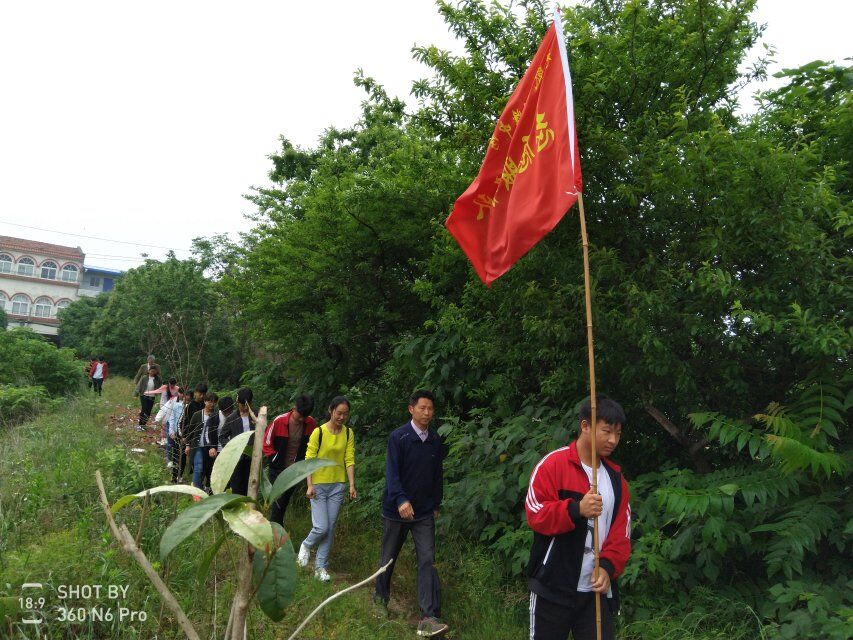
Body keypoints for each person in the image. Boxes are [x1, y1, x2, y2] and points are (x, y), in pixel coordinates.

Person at [525, 397, 631, 640]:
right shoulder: (553, 465)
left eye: (618, 433)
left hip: (594, 594)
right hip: (552, 588)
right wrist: (575, 510)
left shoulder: (616, 479)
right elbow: (535, 513)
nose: (613, 440)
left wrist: (607, 567)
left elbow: (621, 534)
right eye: (606, 431)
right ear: (585, 426)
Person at [373, 390, 447, 638]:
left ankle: (427, 617)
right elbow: (392, 474)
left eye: (430, 409)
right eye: (422, 408)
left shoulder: (435, 440)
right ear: (411, 409)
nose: (427, 413)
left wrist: (436, 502)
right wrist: (401, 499)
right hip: (396, 510)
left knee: (427, 559)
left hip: (424, 511)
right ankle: (380, 600)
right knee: (389, 557)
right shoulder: (399, 437)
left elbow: (438, 475)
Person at [297, 396, 357, 582]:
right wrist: (309, 484)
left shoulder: (348, 433)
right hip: (318, 486)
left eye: (345, 414)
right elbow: (309, 459)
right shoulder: (318, 432)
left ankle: (320, 567)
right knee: (321, 527)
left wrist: (352, 484)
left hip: (337, 486)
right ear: (331, 411)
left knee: (330, 529)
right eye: (339, 413)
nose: (341, 417)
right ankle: (306, 545)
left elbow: (349, 459)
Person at [263, 394, 317, 526]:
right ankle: (275, 529)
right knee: (278, 500)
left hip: (295, 471)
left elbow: (314, 445)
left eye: (305, 416)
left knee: (284, 500)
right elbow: (266, 443)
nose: (301, 419)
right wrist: (274, 458)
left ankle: (277, 526)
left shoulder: (310, 423)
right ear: (294, 408)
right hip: (278, 469)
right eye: (300, 415)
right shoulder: (279, 421)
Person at [218, 388, 255, 495]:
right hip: (236, 458)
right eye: (241, 404)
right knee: (237, 486)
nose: (243, 408)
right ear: (237, 402)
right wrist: (232, 448)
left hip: (252, 458)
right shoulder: (232, 418)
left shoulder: (257, 415)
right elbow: (222, 437)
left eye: (245, 405)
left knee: (251, 486)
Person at [184, 392, 220, 494]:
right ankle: (197, 492)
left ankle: (207, 489)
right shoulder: (197, 415)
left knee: (209, 470)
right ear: (205, 401)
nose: (212, 404)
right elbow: (190, 430)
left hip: (211, 447)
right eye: (209, 401)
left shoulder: (217, 415)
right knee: (198, 468)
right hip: (198, 446)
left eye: (214, 402)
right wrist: (187, 445)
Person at [134, 365, 161, 431]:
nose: (152, 372)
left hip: (152, 397)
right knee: (144, 409)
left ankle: (144, 424)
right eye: (151, 371)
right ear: (148, 371)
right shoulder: (144, 378)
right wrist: (135, 394)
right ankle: (140, 424)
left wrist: (162, 395)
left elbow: (160, 388)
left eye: (154, 371)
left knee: (148, 411)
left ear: (156, 372)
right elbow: (139, 386)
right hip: (143, 395)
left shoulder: (158, 379)